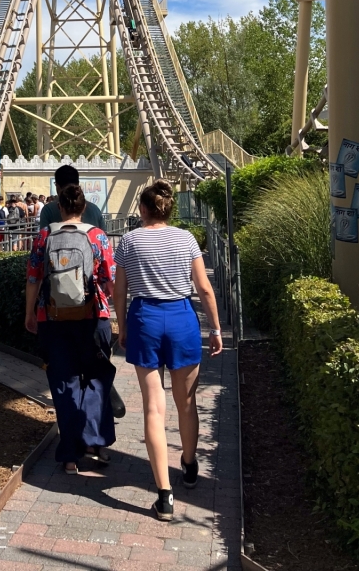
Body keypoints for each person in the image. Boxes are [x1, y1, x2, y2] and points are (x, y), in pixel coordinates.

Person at [113, 179, 223, 523]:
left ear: (143, 210)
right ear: (168, 209)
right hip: (181, 318)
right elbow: (203, 288)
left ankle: (164, 495)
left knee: (152, 407)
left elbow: (119, 290)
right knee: (186, 402)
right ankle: (189, 466)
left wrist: (123, 326)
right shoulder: (186, 239)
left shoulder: (129, 241)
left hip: (145, 317)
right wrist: (216, 328)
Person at [25, 183, 116, 474]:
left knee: (64, 384)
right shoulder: (98, 237)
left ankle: (69, 456)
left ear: (60, 207)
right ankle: (96, 443)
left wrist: (30, 313)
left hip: (52, 317)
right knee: (96, 379)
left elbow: (33, 278)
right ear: (84, 208)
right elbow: (109, 280)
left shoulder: (43, 236)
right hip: (94, 317)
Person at [39, 165, 105, 232]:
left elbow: (43, 239)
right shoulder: (94, 209)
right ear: (84, 208)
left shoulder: (48, 210)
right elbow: (105, 237)